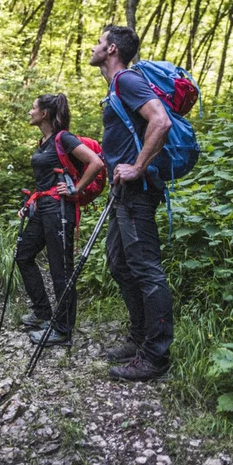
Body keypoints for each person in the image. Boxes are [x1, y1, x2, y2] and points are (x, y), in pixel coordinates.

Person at [89, 25, 174, 381]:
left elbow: (161, 121)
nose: (92, 47)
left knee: (146, 269)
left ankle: (156, 357)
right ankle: (139, 338)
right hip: (123, 192)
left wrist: (137, 167)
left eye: (98, 42)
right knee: (120, 263)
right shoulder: (116, 87)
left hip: (137, 191)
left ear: (111, 49)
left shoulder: (127, 80)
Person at [14, 93, 104, 347]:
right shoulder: (43, 142)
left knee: (60, 269)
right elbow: (46, 180)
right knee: (23, 255)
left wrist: (76, 189)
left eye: (33, 108)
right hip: (43, 207)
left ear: (44, 114)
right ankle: (43, 313)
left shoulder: (63, 138)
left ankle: (63, 330)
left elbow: (96, 162)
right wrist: (30, 203)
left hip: (59, 210)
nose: (30, 112)